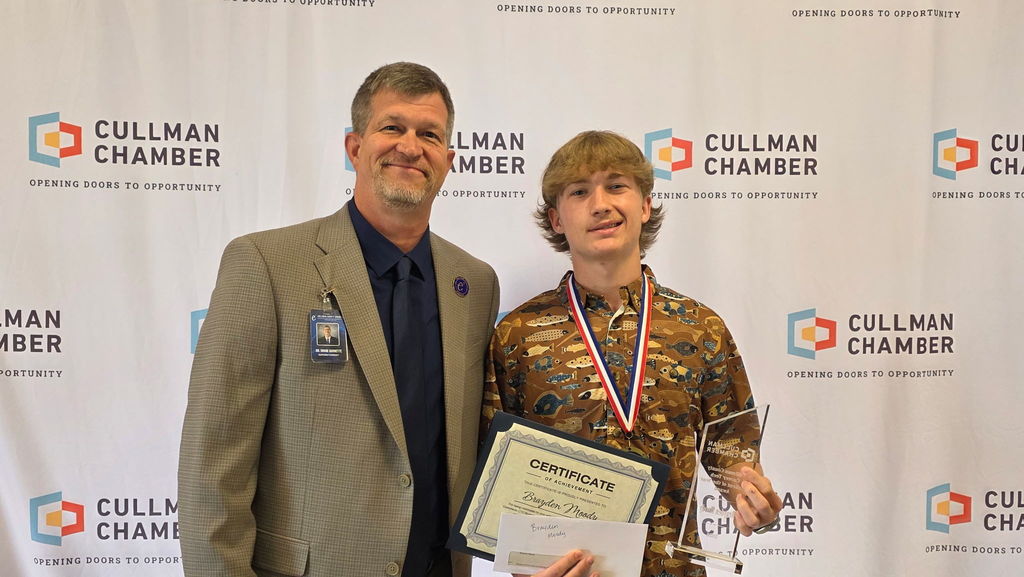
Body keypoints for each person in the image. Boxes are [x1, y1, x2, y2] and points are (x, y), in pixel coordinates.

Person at [179, 62, 499, 577]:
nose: (410, 146)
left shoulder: (475, 283)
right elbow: (212, 465)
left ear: (449, 160)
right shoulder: (265, 263)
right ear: (354, 147)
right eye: (392, 127)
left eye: (430, 135)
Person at [482, 131, 782, 577]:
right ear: (557, 219)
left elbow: (731, 447)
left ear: (644, 205)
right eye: (580, 191)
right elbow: (495, 474)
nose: (600, 204)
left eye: (616, 185)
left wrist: (751, 497)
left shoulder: (700, 327)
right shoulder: (517, 335)